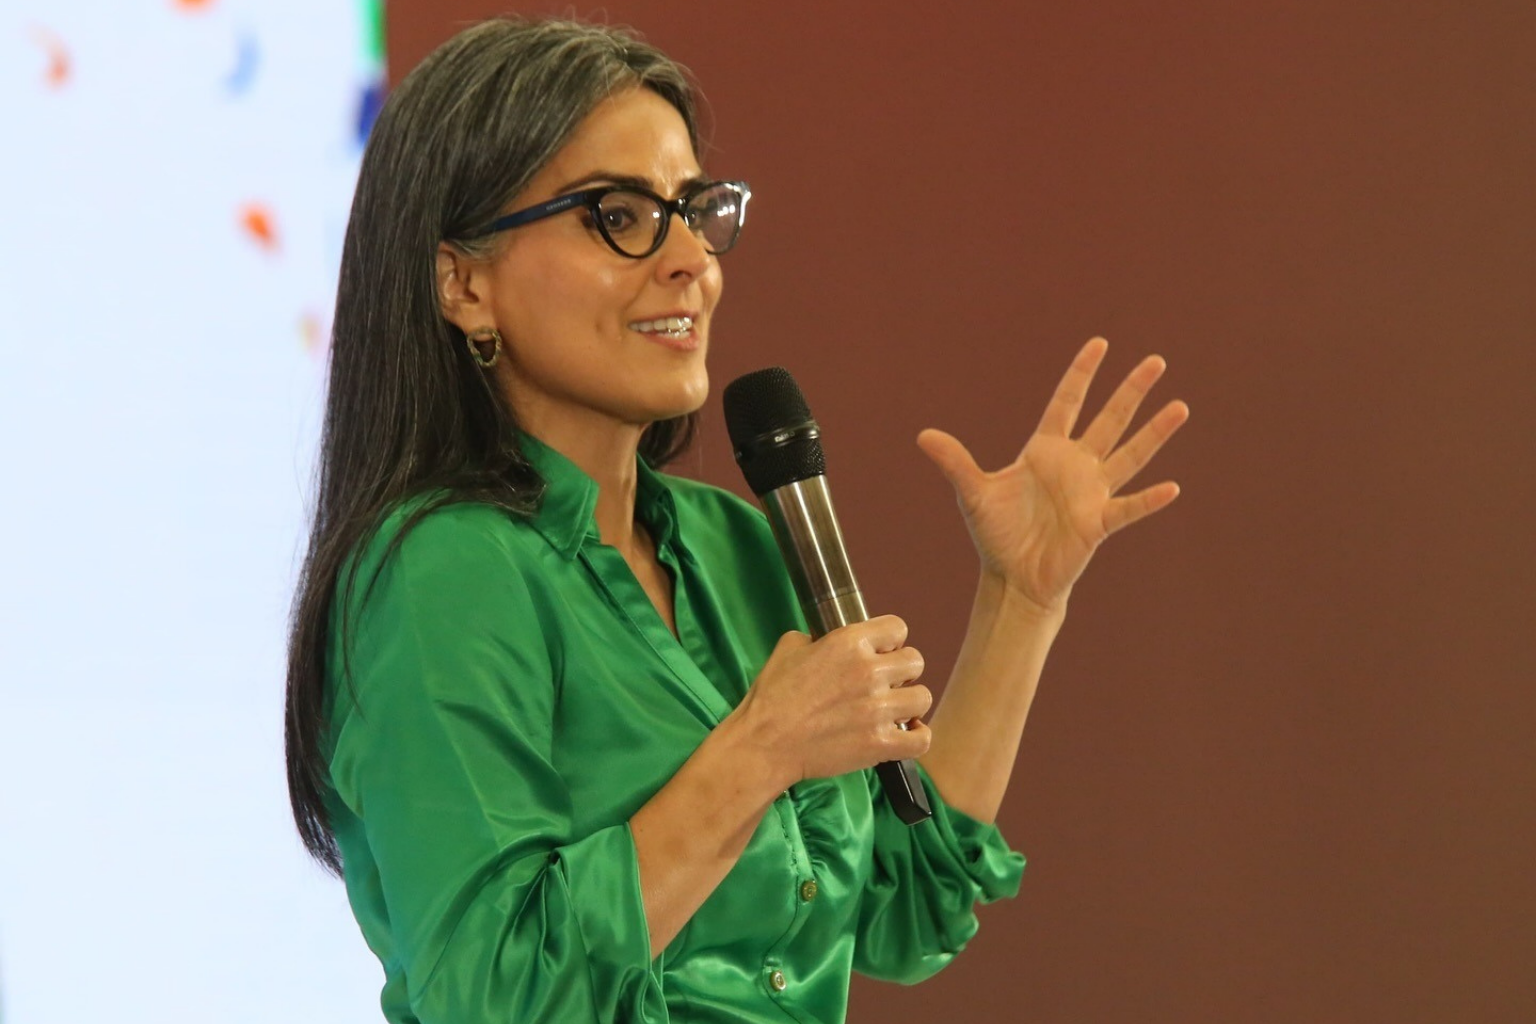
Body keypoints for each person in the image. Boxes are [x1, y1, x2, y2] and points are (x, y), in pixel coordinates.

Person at [283, 16, 1189, 1024]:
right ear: (464, 282)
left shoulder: (734, 544)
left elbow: (902, 907)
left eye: (695, 209)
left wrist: (1019, 599)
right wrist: (757, 753)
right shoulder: (443, 572)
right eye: (618, 215)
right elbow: (494, 992)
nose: (690, 262)